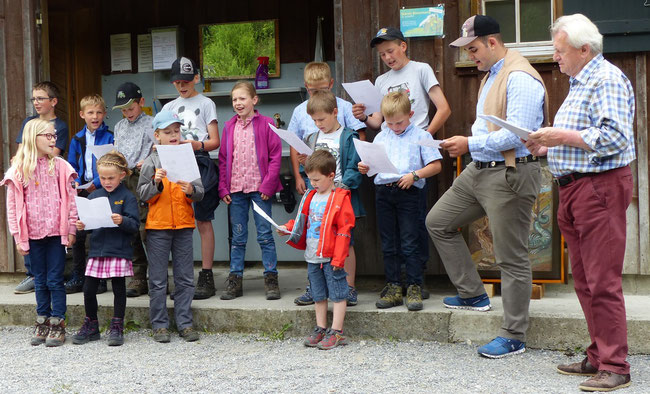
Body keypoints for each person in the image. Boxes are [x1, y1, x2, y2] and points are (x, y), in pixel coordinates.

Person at [426, 15, 547, 358]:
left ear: (492, 43)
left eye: (474, 48)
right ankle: (473, 294)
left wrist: (468, 143)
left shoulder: (520, 77)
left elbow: (519, 135)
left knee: (511, 257)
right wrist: (467, 144)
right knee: (438, 222)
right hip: (479, 170)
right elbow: (489, 127)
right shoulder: (493, 73)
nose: (470, 56)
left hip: (510, 172)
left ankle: (514, 335)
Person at [525, 14, 635, 392]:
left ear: (584, 49)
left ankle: (616, 366)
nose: (555, 57)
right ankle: (598, 356)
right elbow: (583, 138)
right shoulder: (580, 81)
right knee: (586, 280)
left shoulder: (605, 79)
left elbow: (615, 137)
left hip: (598, 188)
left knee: (602, 280)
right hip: (575, 187)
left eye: (560, 51)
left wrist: (562, 136)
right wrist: (546, 145)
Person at [351, 27, 451, 297]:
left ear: (403, 46)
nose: (387, 57)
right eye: (382, 54)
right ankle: (396, 284)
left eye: (391, 51)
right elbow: (379, 123)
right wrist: (363, 116)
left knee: (413, 233)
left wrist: (421, 139)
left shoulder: (421, 69)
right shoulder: (382, 81)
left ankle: (417, 283)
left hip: (414, 154)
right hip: (389, 163)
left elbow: (443, 108)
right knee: (392, 237)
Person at [288, 62, 366, 306]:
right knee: (315, 240)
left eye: (321, 119)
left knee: (345, 241)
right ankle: (316, 287)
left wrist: (343, 187)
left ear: (335, 113)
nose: (318, 124)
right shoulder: (312, 137)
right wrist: (304, 164)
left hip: (341, 198)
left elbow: (354, 167)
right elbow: (311, 169)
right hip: (317, 199)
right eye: (314, 120)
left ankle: (349, 287)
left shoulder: (348, 136)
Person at [358, 91, 442, 311]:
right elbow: (373, 166)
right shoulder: (382, 136)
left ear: (411, 114)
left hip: (409, 192)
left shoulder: (422, 135)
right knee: (389, 242)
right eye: (389, 122)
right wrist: (365, 167)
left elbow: (436, 165)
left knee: (410, 241)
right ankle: (394, 286)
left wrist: (414, 175)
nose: (394, 127)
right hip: (384, 192)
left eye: (399, 122)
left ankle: (414, 286)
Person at [1, 119, 78, 346]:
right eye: (48, 136)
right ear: (32, 138)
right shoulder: (19, 170)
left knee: (55, 280)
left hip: (55, 234)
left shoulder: (61, 166)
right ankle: (42, 319)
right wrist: (17, 235)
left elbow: (71, 201)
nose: (53, 140)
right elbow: (13, 207)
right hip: (32, 236)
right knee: (40, 280)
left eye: (54, 136)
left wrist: (71, 227)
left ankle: (58, 323)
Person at [138, 110, 204, 343]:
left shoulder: (188, 157)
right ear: (157, 135)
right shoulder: (150, 162)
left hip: (184, 226)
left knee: (185, 277)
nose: (174, 135)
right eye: (168, 132)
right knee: (157, 279)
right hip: (158, 227)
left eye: (176, 131)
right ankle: (159, 325)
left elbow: (200, 192)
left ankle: (185, 324)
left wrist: (192, 191)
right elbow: (142, 195)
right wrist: (156, 182)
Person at [278, 150, 355, 350]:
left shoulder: (340, 198)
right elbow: (303, 220)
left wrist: (339, 259)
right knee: (318, 294)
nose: (313, 183)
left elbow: (345, 231)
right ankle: (321, 328)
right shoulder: (310, 196)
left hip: (331, 257)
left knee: (338, 293)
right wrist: (288, 228)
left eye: (317, 179)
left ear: (331, 176)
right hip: (312, 255)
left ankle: (337, 332)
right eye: (309, 178)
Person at [218, 81, 283, 300]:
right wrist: (223, 187)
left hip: (259, 190)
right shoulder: (229, 127)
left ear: (254, 100)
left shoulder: (266, 124)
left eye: (242, 98)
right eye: (235, 99)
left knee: (265, 235)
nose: (238, 103)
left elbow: (275, 157)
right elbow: (224, 159)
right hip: (236, 190)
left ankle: (271, 278)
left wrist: (268, 184)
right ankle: (235, 279)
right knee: (237, 237)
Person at [162, 57, 220, 300]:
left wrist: (196, 144)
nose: (181, 86)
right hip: (175, 162)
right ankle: (182, 275)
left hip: (200, 161)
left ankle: (206, 274)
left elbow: (215, 141)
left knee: (203, 220)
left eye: (186, 81)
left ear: (196, 78)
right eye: (177, 81)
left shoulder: (206, 103)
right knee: (177, 221)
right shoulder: (167, 107)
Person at [72, 151, 139, 346]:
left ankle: (117, 325)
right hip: (97, 251)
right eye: (103, 177)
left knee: (118, 289)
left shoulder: (127, 197)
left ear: (122, 176)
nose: (107, 181)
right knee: (88, 289)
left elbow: (135, 225)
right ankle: (91, 323)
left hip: (118, 250)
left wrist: (122, 220)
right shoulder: (94, 196)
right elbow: (89, 227)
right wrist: (82, 226)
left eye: (111, 178)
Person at [14, 81, 69, 295]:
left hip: (47, 179)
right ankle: (32, 274)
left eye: (40, 98)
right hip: (28, 175)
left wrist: (31, 157)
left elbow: (53, 154)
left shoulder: (60, 126)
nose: (36, 102)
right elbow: (21, 152)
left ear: (53, 102)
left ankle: (49, 275)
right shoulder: (29, 122)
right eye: (34, 99)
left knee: (49, 230)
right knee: (27, 221)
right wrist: (21, 162)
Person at [66, 94, 115, 295]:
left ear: (104, 114)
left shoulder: (110, 136)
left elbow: (111, 162)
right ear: (82, 114)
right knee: (78, 234)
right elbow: (72, 165)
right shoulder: (77, 139)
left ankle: (101, 278)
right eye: (90, 112)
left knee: (99, 233)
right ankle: (79, 275)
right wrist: (75, 181)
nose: (95, 116)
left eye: (98, 112)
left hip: (101, 189)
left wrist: (95, 183)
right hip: (81, 191)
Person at [112, 82, 154, 297]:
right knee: (129, 227)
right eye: (124, 110)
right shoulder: (119, 127)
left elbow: (158, 151)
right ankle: (138, 276)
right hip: (123, 179)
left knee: (146, 228)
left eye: (131, 108)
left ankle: (157, 276)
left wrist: (146, 162)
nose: (128, 113)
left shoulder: (152, 124)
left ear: (141, 103)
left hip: (142, 179)